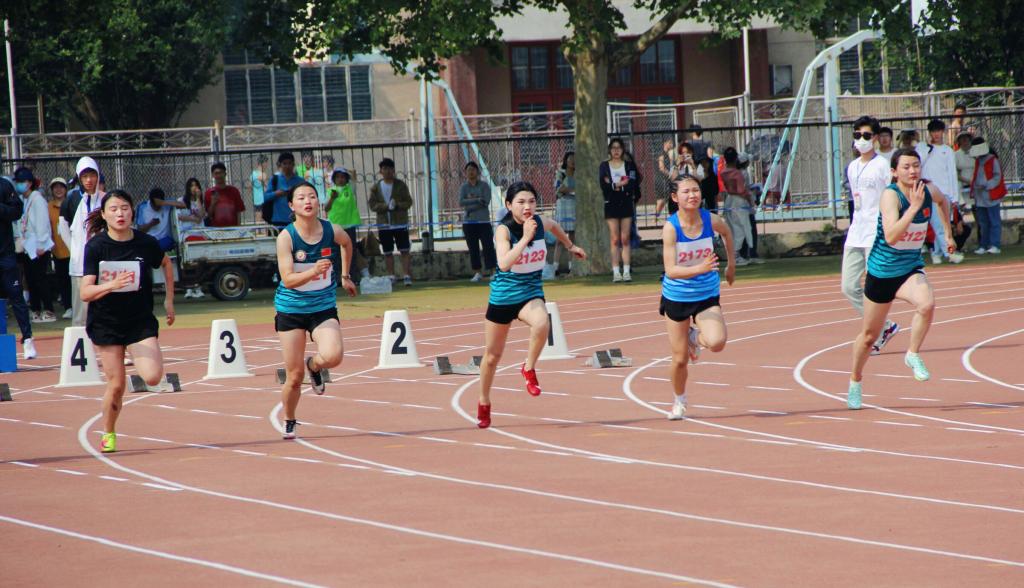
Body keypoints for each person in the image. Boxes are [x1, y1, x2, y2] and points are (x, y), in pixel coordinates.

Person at [847, 148, 955, 409]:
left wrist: (948, 233)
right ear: (894, 172)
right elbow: (893, 235)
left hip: (909, 269)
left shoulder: (928, 191)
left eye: (916, 165)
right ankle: (855, 380)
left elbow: (943, 202)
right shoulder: (890, 196)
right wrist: (914, 209)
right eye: (906, 167)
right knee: (869, 336)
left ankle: (912, 354)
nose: (912, 171)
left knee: (927, 304)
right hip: (882, 273)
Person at [476, 181, 585, 428]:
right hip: (503, 297)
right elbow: (503, 263)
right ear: (508, 205)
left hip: (530, 291)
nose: (527, 207)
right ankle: (484, 400)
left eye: (532, 201)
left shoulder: (540, 223)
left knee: (542, 322)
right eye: (521, 202)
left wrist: (571, 247)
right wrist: (524, 238)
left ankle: (528, 368)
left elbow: (555, 226)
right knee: (492, 357)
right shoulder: (503, 231)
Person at [80, 190, 176, 452]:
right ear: (104, 214)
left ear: (133, 211)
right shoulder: (97, 247)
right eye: (113, 209)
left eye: (124, 208)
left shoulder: (145, 243)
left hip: (139, 320)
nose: (119, 214)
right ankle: (108, 432)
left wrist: (169, 301)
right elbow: (85, 292)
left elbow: (166, 264)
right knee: (117, 384)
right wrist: (111, 284)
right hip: (107, 323)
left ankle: (139, 353)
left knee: (154, 377)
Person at [274, 181, 357, 439]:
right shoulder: (286, 237)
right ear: (292, 205)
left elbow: (347, 243)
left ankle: (315, 365)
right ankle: (289, 418)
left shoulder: (332, 230)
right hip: (291, 309)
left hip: (322, 307)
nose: (307, 201)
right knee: (294, 376)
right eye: (301, 198)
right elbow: (288, 279)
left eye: (311, 196)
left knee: (334, 356)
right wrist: (313, 271)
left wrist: (344, 275)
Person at [661, 175, 736, 419]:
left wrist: (731, 265)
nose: (692, 195)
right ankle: (679, 400)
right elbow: (671, 271)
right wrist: (699, 268)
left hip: (706, 294)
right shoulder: (671, 228)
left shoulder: (709, 219)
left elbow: (726, 232)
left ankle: (695, 335)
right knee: (680, 358)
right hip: (677, 296)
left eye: (696, 190)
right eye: (686, 191)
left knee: (717, 342)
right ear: (675, 197)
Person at [842, 116, 901, 357]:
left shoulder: (883, 166)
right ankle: (886, 326)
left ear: (875, 138)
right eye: (857, 136)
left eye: (866, 136)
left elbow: (894, 195)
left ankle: (875, 332)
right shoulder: (852, 166)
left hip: (876, 234)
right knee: (848, 286)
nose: (862, 140)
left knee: (875, 288)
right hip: (856, 233)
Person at [58, 156, 106, 327]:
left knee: (106, 310)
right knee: (80, 315)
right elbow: (62, 226)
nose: (89, 180)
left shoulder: (106, 199)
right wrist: (75, 250)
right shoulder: (72, 199)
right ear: (79, 178)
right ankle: (82, 349)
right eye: (84, 176)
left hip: (104, 264)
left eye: (92, 175)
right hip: (79, 266)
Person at [916, 119, 964, 264]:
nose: (936, 134)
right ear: (929, 133)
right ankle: (949, 253)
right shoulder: (922, 147)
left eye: (938, 131)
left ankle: (936, 253)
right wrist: (928, 149)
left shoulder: (948, 151)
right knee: (940, 226)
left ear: (943, 132)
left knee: (944, 226)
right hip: (929, 192)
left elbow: (952, 174)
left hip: (945, 194)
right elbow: (919, 164)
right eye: (933, 131)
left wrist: (955, 196)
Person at [13, 168, 56, 323]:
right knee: (30, 279)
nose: (19, 185)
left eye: (21, 182)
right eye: (17, 182)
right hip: (28, 245)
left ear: (29, 183)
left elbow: (43, 223)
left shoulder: (37, 199)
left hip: (38, 246)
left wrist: (41, 244)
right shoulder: (25, 199)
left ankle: (49, 309)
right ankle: (36, 309)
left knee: (40, 278)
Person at [0, 169, 34, 358]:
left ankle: (28, 338)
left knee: (16, 294)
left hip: (5, 253)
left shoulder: (4, 185)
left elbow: (16, 210)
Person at [367, 158, 414, 286]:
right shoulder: (375, 188)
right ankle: (391, 276)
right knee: (388, 252)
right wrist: (386, 206)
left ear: (393, 170)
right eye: (384, 169)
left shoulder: (401, 185)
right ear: (380, 171)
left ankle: (406, 275)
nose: (387, 171)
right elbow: (372, 205)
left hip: (399, 223)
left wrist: (397, 205)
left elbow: (409, 202)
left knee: (404, 250)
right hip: (384, 225)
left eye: (390, 168)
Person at [599, 138, 639, 282]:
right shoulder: (604, 166)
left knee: (625, 238)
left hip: (626, 203)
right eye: (613, 148)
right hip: (611, 203)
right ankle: (616, 271)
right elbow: (604, 185)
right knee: (615, 239)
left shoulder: (629, 166)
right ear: (610, 150)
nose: (616, 150)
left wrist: (617, 185)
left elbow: (631, 184)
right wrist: (620, 183)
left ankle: (627, 271)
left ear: (623, 150)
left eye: (619, 148)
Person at [325, 167, 368, 279]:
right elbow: (326, 208)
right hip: (335, 227)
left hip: (349, 226)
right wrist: (332, 198)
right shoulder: (330, 191)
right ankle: (338, 277)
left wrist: (347, 170)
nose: (340, 179)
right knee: (336, 253)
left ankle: (351, 276)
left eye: (343, 177)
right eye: (338, 177)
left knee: (351, 252)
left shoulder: (349, 189)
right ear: (334, 179)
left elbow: (354, 174)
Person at [718, 147, 757, 266]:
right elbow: (741, 190)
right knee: (741, 229)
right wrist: (750, 200)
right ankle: (736, 256)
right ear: (735, 159)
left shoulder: (723, 172)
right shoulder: (737, 173)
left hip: (729, 199)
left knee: (732, 227)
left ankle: (735, 255)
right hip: (738, 201)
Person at [459, 162, 497, 283]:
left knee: (488, 246)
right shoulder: (464, 187)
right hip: (469, 223)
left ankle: (492, 271)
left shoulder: (484, 186)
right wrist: (476, 200)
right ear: (465, 173)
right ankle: (477, 272)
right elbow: (461, 202)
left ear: (477, 171)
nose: (471, 172)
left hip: (483, 221)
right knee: (473, 248)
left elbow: (485, 201)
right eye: (468, 170)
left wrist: (469, 202)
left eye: (473, 170)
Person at [968, 136, 1005, 255]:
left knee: (994, 221)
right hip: (980, 197)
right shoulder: (978, 161)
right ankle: (984, 245)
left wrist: (987, 184)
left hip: (991, 196)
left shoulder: (993, 159)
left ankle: (995, 245)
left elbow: (997, 176)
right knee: (983, 223)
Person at [176, 178, 207, 299]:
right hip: (187, 233)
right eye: (191, 186)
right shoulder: (181, 201)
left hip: (199, 233)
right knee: (188, 263)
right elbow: (179, 216)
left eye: (196, 185)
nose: (194, 188)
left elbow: (202, 215)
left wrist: (199, 199)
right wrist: (193, 219)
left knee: (199, 261)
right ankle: (189, 289)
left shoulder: (200, 201)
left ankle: (198, 288)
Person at [548, 151, 578, 278]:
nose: (572, 161)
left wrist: (569, 190)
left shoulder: (579, 174)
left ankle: (572, 267)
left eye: (574, 159)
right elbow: (558, 190)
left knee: (572, 237)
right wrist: (570, 190)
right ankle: (555, 268)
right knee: (560, 238)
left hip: (574, 205)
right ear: (566, 160)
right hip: (563, 204)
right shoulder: (560, 173)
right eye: (570, 159)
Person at [47, 177, 72, 318]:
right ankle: (68, 306)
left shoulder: (71, 203)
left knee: (74, 280)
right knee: (62, 280)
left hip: (72, 249)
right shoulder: (48, 206)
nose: (58, 189)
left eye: (61, 186)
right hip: (57, 250)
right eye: (55, 187)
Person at [264, 152, 304, 228]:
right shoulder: (275, 179)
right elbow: (265, 197)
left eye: (289, 163)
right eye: (284, 163)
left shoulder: (300, 181)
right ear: (280, 165)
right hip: (277, 222)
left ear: (293, 164)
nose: (287, 166)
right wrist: (277, 194)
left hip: (296, 221)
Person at [205, 162, 246, 227]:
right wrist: (213, 203)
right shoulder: (209, 193)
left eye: (221, 173)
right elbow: (208, 215)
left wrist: (238, 228)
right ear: (212, 175)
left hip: (233, 229)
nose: (218, 176)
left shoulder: (234, 191)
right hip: (215, 230)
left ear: (225, 174)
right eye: (216, 173)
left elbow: (238, 211)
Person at [655, 138, 678, 218]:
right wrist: (670, 175)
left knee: (665, 199)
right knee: (661, 200)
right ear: (665, 143)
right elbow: (661, 167)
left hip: (666, 179)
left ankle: (657, 217)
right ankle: (655, 217)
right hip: (661, 179)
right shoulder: (661, 154)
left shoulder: (669, 154)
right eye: (670, 143)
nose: (671, 145)